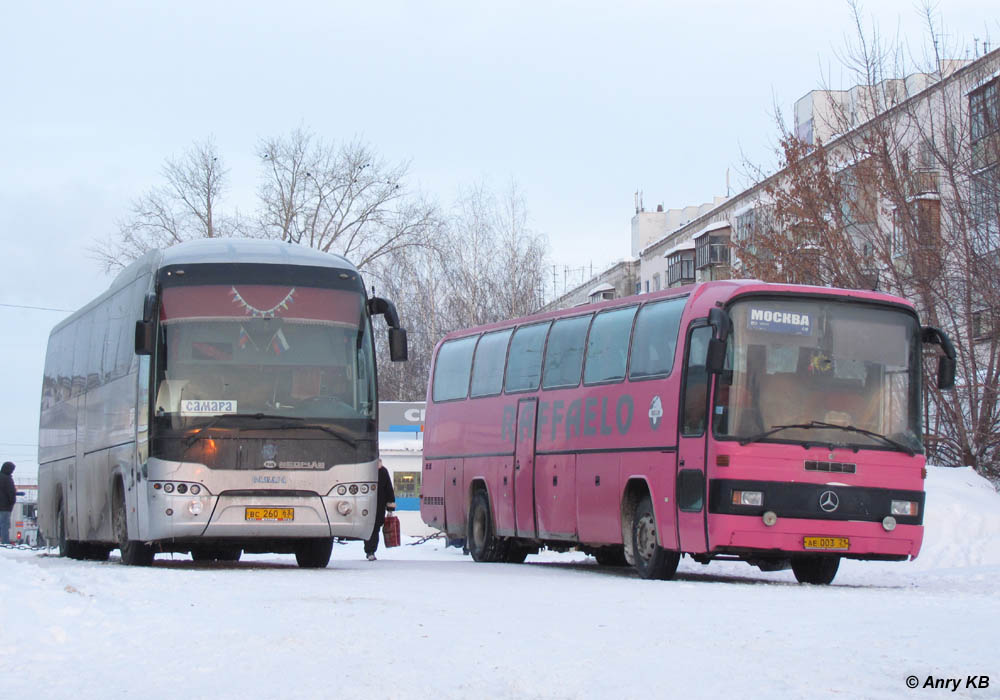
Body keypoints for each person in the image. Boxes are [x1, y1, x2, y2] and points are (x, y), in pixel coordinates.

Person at [364, 459, 396, 561]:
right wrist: (390, 507)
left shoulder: (364, 470)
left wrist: (390, 506)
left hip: (367, 505)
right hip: (378, 506)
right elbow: (389, 489)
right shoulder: (383, 471)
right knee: (374, 529)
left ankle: (370, 550)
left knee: (372, 528)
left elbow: (388, 489)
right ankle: (370, 551)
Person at [0, 462, 16, 545]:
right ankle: (5, 542)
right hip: (5, 507)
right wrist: (12, 502)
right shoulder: (7, 478)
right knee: (5, 526)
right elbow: (11, 492)